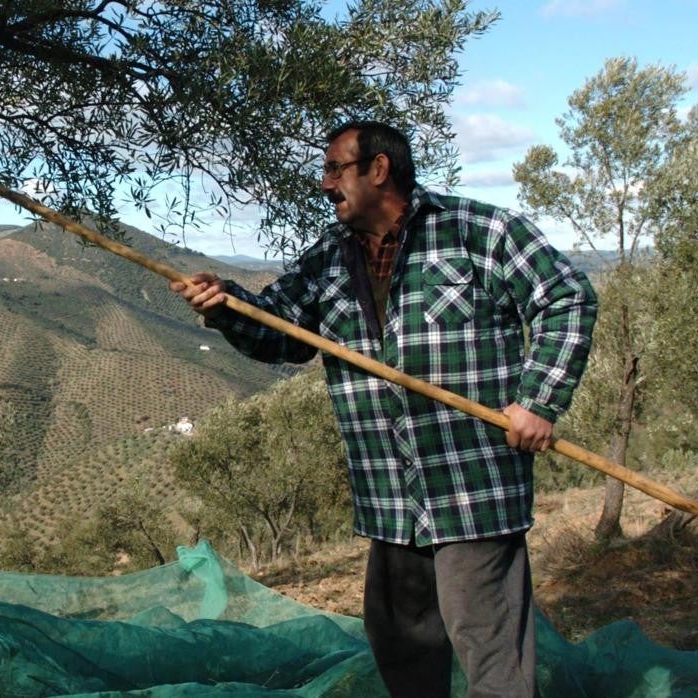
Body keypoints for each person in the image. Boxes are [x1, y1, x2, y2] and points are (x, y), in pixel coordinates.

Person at [170, 121, 596, 698]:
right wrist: (225, 305)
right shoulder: (328, 260)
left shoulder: (477, 231)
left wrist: (539, 399)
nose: (324, 185)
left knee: (492, 659)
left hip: (471, 490)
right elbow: (281, 334)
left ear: (378, 169)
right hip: (390, 499)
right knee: (399, 648)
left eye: (334, 169)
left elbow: (565, 295)